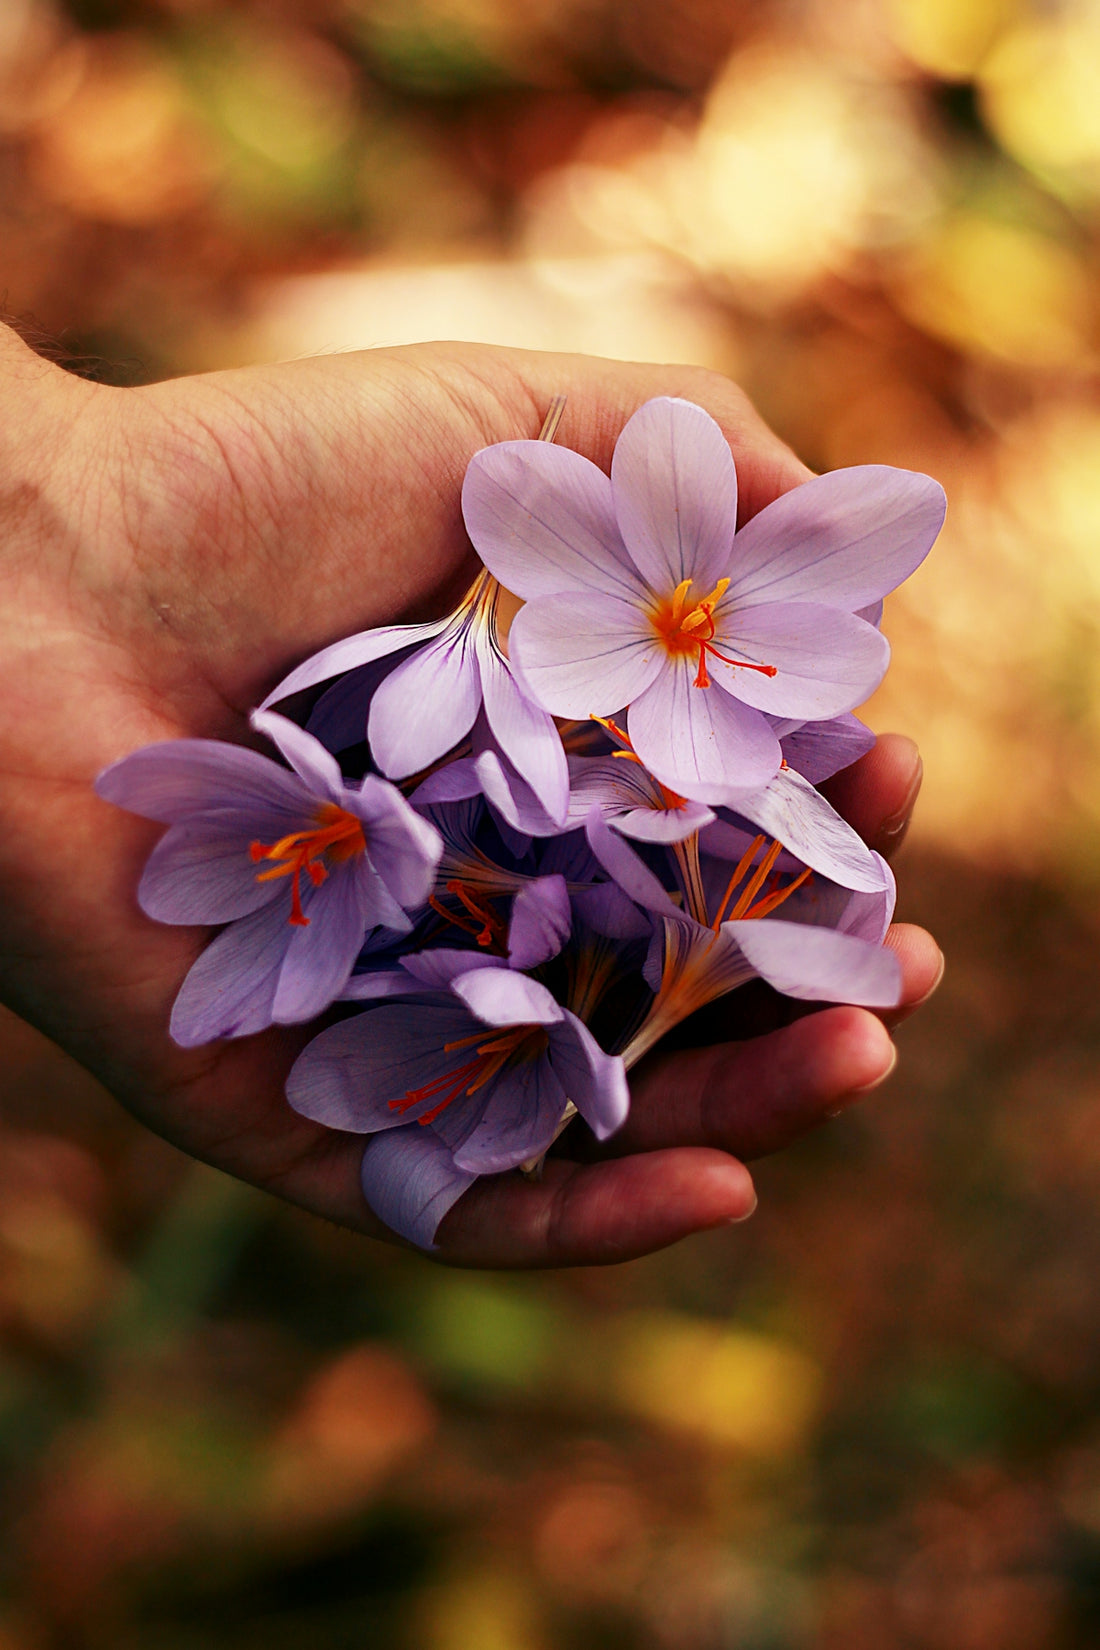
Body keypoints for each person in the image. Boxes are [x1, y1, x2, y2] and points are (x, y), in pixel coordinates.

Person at [0, 321, 942, 1266]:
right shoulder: (585, 683)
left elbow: (694, 747)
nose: (697, 617)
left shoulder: (671, 729)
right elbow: (559, 610)